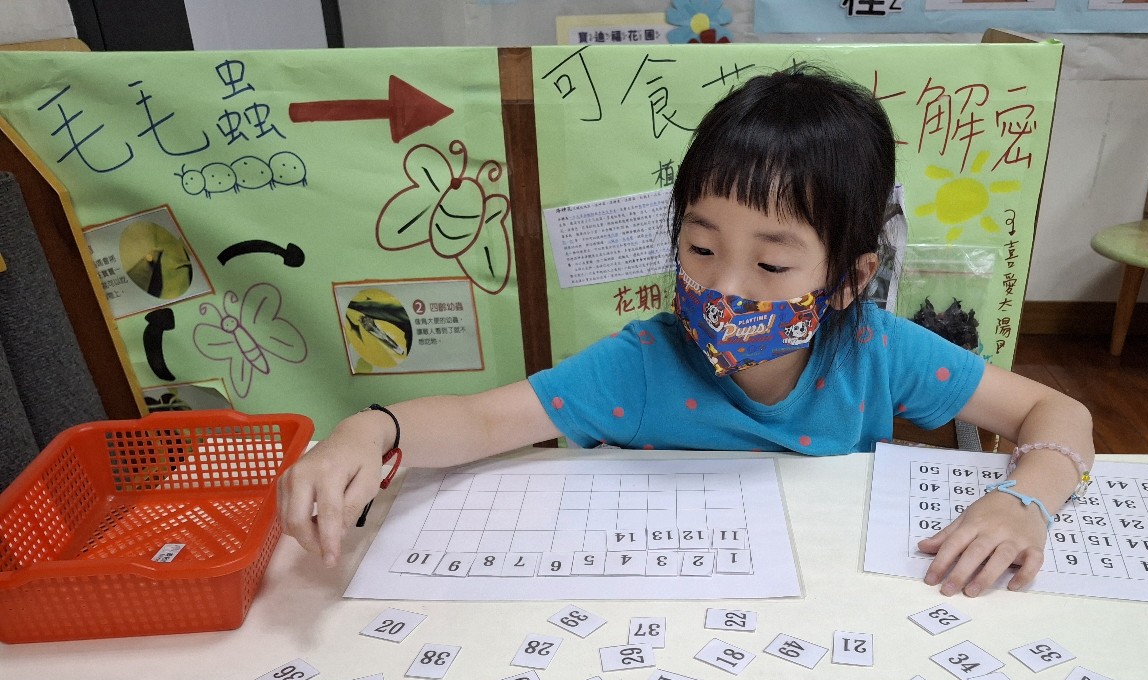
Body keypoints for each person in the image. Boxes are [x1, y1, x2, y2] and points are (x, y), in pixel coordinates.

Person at [280, 66, 1093, 598]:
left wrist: (1026, 501)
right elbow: (484, 421)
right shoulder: (643, 364)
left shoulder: (875, 353)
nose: (724, 287)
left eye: (771, 265)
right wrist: (369, 430)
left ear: (849, 279)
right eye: (701, 249)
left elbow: (1056, 413)